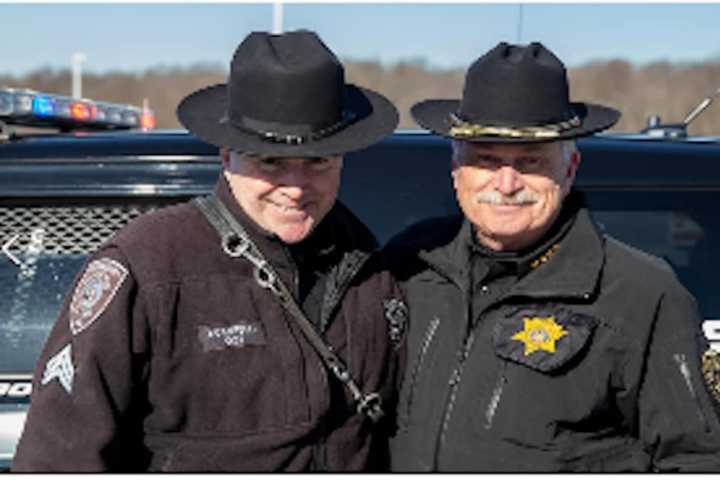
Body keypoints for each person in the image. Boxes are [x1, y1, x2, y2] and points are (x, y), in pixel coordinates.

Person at [12, 30, 406, 472]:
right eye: (270, 162)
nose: (295, 188)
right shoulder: (148, 266)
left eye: (318, 162)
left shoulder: (372, 266)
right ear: (226, 154)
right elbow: (60, 456)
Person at [387, 42, 720, 472]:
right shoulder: (410, 265)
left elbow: (696, 460)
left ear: (570, 167)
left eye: (530, 161)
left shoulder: (641, 295)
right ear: (456, 169)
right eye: (486, 160)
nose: (506, 183)